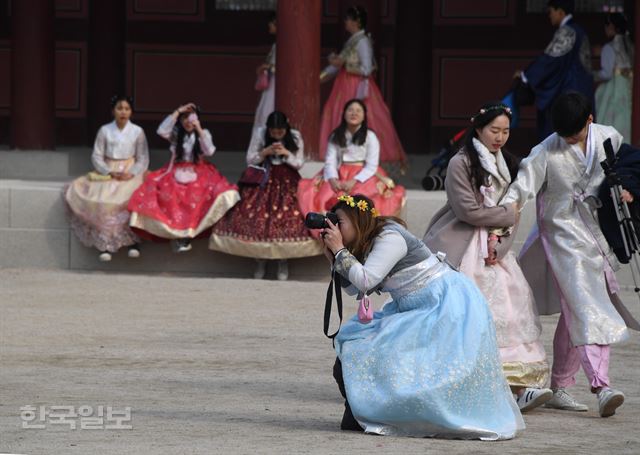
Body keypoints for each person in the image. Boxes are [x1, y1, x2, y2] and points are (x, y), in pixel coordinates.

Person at [321, 194, 525, 439]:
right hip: (414, 307)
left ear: (357, 219)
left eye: (339, 221)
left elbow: (366, 280)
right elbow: (354, 287)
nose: (335, 228)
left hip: (444, 305)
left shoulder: (389, 237)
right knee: (357, 343)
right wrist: (334, 256)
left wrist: (341, 251)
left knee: (405, 360)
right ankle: (360, 412)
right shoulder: (367, 243)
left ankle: (371, 414)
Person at [501, 92, 640, 417]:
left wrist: (628, 187)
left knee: (576, 309)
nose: (566, 140)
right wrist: (500, 218)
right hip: (562, 235)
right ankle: (602, 385)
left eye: (573, 134)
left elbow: (629, 166)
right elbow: (522, 187)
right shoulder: (544, 151)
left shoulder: (609, 137)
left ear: (589, 120)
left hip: (596, 234)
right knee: (588, 305)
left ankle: (561, 384)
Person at [423, 102, 553, 412]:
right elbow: (467, 210)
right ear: (478, 128)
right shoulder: (460, 163)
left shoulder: (508, 162)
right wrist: (506, 215)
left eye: (506, 131)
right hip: (464, 245)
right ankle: (465, 384)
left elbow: (515, 207)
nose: (500, 137)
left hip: (496, 249)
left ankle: (518, 388)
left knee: (509, 313)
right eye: (494, 130)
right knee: (465, 315)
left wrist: (503, 243)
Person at [209, 111, 322, 280]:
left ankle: (283, 260)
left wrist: (285, 153)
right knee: (256, 217)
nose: (277, 135)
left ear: (286, 128)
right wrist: (264, 152)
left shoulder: (295, 136)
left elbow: (299, 163)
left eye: (280, 132)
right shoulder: (260, 133)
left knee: (286, 218)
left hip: (287, 180)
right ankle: (260, 259)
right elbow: (250, 159)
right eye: (273, 132)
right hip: (263, 177)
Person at [128, 103, 240, 252]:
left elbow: (210, 150)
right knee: (169, 194)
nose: (188, 121)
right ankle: (178, 236)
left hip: (199, 170)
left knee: (202, 194)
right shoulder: (176, 134)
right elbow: (161, 130)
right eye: (185, 118)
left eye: (192, 117)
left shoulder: (203, 133)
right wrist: (177, 111)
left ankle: (186, 236)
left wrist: (199, 128)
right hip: (175, 169)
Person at [319, 5, 407, 167]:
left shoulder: (363, 41)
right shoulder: (352, 40)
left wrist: (345, 65)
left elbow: (367, 69)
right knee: (340, 114)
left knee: (359, 115)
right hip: (344, 84)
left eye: (348, 19)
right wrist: (321, 76)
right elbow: (337, 65)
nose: (345, 22)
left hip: (355, 85)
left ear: (356, 21)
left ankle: (366, 154)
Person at [65, 95, 149, 262]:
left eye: (126, 109)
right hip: (109, 170)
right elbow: (97, 156)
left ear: (131, 112)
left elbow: (143, 157)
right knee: (103, 199)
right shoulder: (105, 130)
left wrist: (132, 172)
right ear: (113, 111)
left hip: (130, 170)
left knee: (132, 197)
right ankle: (105, 244)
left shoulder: (138, 131)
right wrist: (108, 171)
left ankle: (133, 242)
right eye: (119, 108)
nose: (123, 112)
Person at [297, 99, 404, 226]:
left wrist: (354, 181)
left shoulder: (370, 136)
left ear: (364, 115)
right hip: (339, 172)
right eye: (350, 110)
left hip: (363, 174)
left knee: (363, 199)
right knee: (322, 195)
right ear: (344, 114)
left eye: (358, 111)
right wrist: (332, 179)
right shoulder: (336, 135)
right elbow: (330, 162)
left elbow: (372, 165)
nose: (354, 113)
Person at [514, 0, 593, 140]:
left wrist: (526, 76)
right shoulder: (579, 31)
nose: (549, 15)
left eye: (551, 11)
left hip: (569, 90)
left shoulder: (567, 32)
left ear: (560, 12)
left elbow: (550, 61)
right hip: (583, 90)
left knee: (563, 132)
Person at [594, 13, 634, 142]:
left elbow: (606, 73)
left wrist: (592, 74)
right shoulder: (632, 47)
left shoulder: (609, 48)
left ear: (611, 26)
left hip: (613, 90)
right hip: (629, 88)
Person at [252, 13, 276, 132]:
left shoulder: (283, 45)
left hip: (277, 83)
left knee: (267, 110)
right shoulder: (275, 45)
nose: (269, 26)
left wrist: (268, 66)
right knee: (263, 111)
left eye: (271, 24)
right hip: (271, 82)